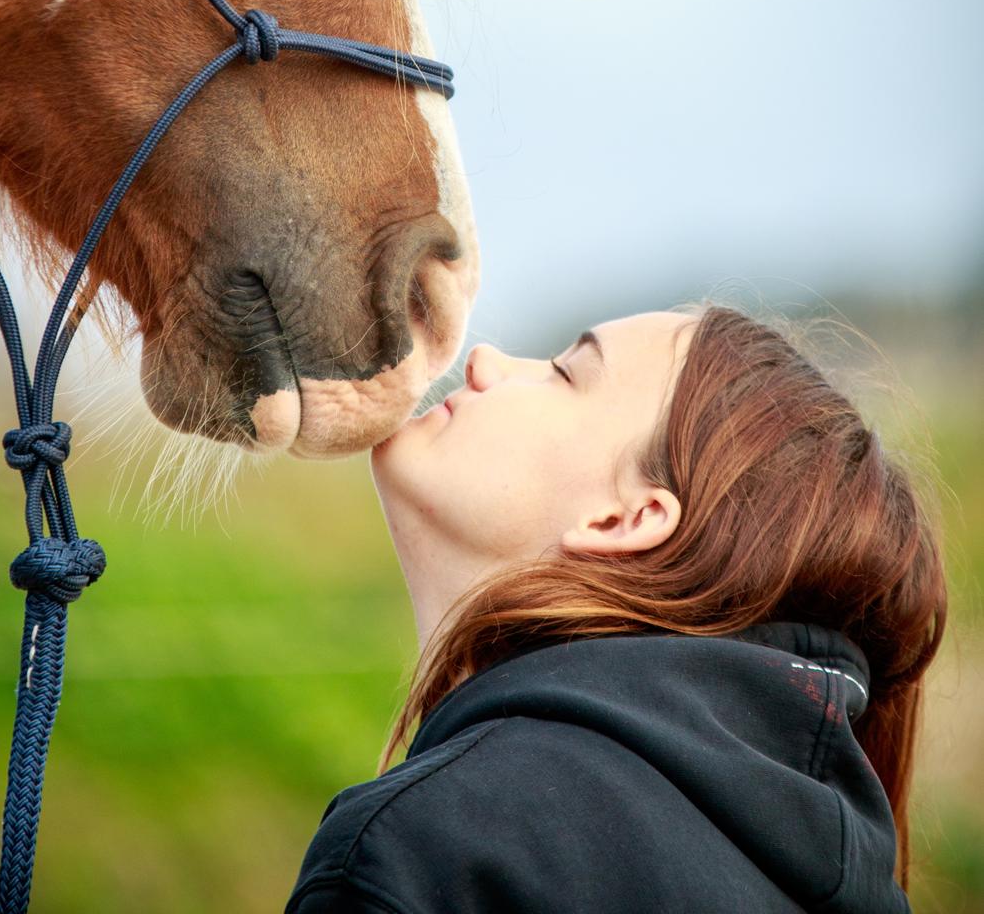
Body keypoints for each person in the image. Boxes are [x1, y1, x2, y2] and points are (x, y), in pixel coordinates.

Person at [285, 302, 946, 913]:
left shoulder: (428, 855)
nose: (484, 360)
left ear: (623, 518)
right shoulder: (832, 885)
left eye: (564, 374)